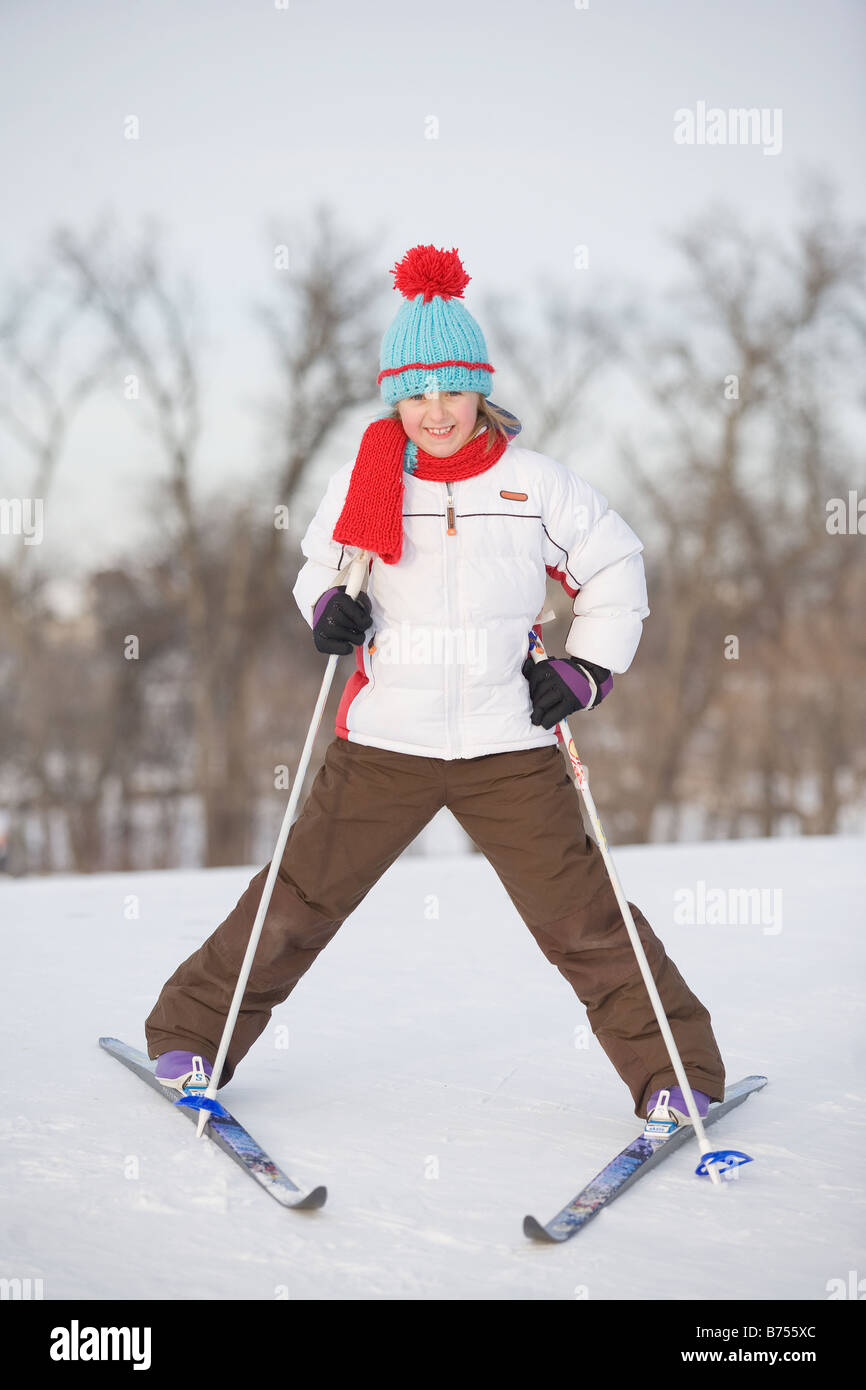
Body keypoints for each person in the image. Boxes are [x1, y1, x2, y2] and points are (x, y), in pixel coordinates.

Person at [145, 243, 725, 1130]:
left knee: (584, 923)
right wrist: (331, 610)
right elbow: (321, 570)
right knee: (298, 901)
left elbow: (616, 569)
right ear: (394, 399)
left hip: (509, 744)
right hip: (386, 743)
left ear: (479, 389)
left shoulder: (536, 487)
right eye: (414, 394)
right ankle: (192, 1034)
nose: (434, 412)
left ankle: (673, 1076)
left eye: (450, 390)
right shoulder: (366, 482)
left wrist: (585, 667)